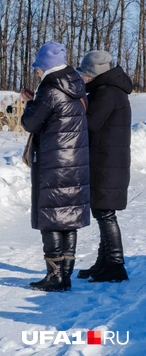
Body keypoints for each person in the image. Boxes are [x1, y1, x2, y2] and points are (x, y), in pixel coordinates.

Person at [20, 41, 91, 291]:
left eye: (38, 68)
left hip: (54, 161)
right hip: (75, 160)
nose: (37, 72)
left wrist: (29, 103)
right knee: (69, 215)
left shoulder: (50, 88)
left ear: (47, 67)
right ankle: (65, 273)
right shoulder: (75, 83)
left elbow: (30, 123)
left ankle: (54, 276)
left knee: (51, 216)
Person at [75, 51, 131, 282]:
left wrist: (77, 105)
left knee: (105, 214)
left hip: (106, 163)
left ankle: (116, 265)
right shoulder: (109, 90)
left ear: (95, 75)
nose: (83, 79)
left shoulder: (107, 93)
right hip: (107, 162)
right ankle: (104, 262)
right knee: (102, 212)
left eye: (86, 75)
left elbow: (90, 123)